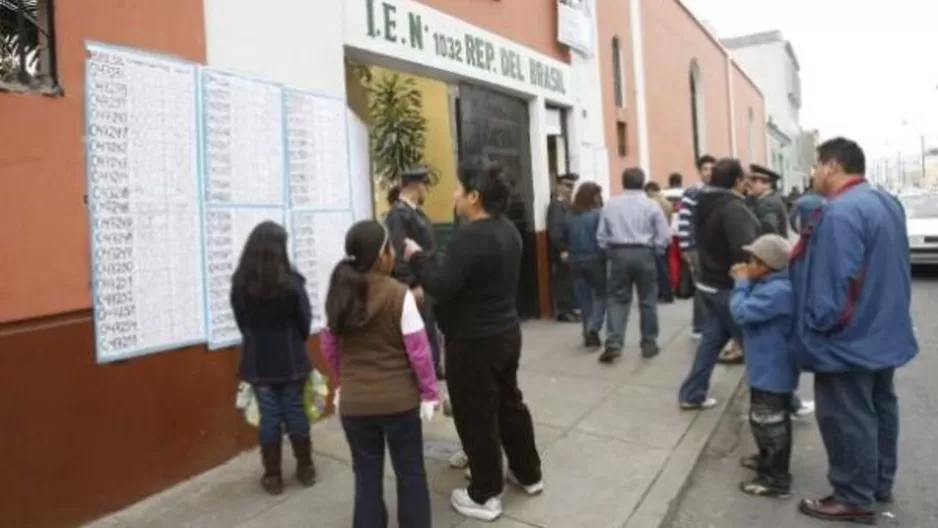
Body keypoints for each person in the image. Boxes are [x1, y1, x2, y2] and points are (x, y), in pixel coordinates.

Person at [403, 161, 543, 522]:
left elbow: (443, 284)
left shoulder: (471, 236)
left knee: (476, 414)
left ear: (474, 197)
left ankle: (484, 494)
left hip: (473, 342)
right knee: (509, 403)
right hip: (505, 334)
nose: (455, 195)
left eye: (459, 189)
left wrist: (416, 257)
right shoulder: (509, 231)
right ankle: (528, 473)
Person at [791, 138, 917, 524]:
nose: (812, 173)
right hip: (882, 327)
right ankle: (878, 481)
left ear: (831, 166)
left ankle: (852, 496)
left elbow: (835, 282)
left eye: (815, 165)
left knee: (846, 415)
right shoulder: (885, 201)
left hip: (849, 337)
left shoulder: (840, 212)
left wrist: (818, 325)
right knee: (880, 406)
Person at [320, 220, 440, 528]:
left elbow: (329, 347)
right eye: (389, 248)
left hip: (355, 407)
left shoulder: (339, 294)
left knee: (366, 480)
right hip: (399, 404)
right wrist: (429, 393)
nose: (393, 255)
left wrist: (343, 382)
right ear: (380, 256)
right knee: (411, 474)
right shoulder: (399, 295)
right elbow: (419, 352)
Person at [230, 221, 316, 495]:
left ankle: (273, 476)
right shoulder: (292, 283)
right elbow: (304, 322)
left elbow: (241, 322)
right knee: (294, 410)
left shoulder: (240, 284)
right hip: (291, 358)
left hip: (258, 360)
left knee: (269, 416)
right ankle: (305, 468)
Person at [677, 158, 760, 409]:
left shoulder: (702, 201)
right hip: (728, 285)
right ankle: (788, 401)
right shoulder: (733, 208)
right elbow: (746, 250)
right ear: (736, 181)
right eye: (744, 176)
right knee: (758, 346)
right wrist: (751, 280)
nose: (748, 180)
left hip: (709, 283)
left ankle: (692, 393)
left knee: (711, 342)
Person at [729, 234, 798, 499]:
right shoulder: (772, 285)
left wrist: (740, 284)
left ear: (766, 265)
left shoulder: (777, 291)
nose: (746, 265)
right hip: (767, 367)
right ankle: (766, 459)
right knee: (765, 420)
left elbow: (741, 313)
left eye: (751, 261)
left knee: (770, 423)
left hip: (773, 369)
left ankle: (776, 479)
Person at [597, 168, 671, 363]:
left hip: (618, 253)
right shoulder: (651, 205)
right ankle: (649, 344)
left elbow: (601, 235)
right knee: (647, 300)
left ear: (623, 182)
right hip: (644, 253)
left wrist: (610, 251)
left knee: (617, 299)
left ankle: (613, 343)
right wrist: (657, 250)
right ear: (643, 182)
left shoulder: (611, 204)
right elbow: (664, 235)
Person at [384, 167, 444, 379]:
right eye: (424, 186)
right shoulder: (398, 215)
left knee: (429, 327)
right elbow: (400, 251)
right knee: (420, 330)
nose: (425, 191)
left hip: (426, 278)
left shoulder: (414, 212)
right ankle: (425, 372)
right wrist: (411, 285)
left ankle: (433, 368)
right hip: (416, 282)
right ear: (416, 186)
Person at [678, 155, 716, 339]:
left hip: (714, 247)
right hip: (696, 246)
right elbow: (683, 220)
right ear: (699, 172)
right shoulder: (692, 193)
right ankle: (700, 326)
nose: (708, 172)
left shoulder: (719, 191)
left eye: (711, 169)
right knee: (701, 286)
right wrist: (685, 247)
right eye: (705, 169)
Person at [564, 181, 606, 348]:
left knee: (584, 298)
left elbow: (564, 235)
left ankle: (586, 332)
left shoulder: (570, 214)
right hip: (594, 259)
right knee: (602, 295)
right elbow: (602, 238)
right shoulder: (598, 214)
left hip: (575, 260)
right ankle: (593, 328)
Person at [547, 173, 579, 323]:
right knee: (563, 280)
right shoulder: (556, 205)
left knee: (569, 280)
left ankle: (570, 309)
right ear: (558, 186)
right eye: (566, 186)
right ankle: (563, 311)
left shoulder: (567, 203)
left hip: (570, 247)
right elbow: (555, 229)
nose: (569, 189)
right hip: (563, 249)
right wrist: (562, 249)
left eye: (571, 186)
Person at [644, 180, 675, 303]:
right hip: (667, 236)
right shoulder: (666, 202)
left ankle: (664, 293)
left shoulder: (652, 203)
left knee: (659, 269)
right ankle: (667, 292)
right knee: (665, 267)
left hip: (656, 238)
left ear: (651, 190)